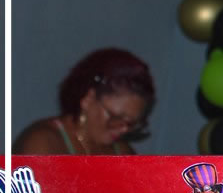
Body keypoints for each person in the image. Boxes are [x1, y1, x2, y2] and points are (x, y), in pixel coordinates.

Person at [14, 48, 154, 155]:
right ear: (88, 98)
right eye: (116, 117)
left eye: (132, 123)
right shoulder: (42, 142)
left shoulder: (122, 152)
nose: (123, 129)